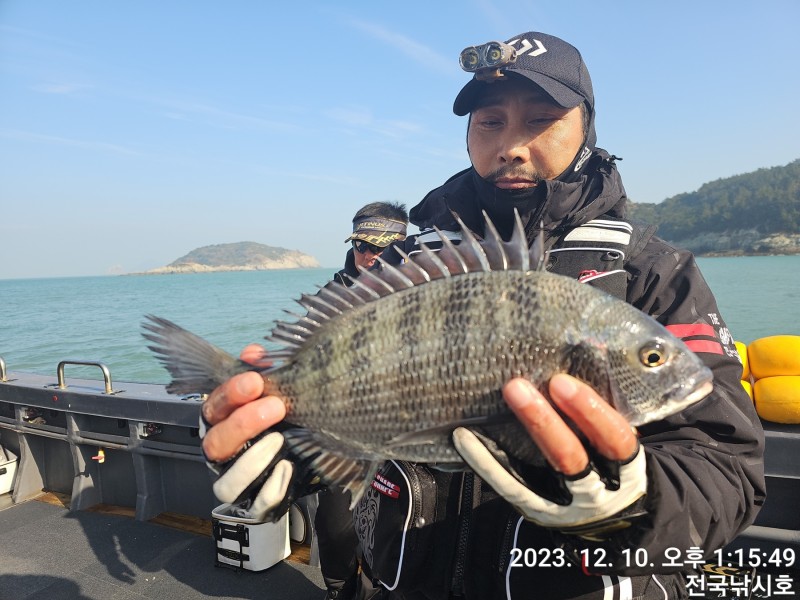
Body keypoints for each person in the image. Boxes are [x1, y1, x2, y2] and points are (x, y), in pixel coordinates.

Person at [199, 31, 765, 599]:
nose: (512, 146)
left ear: (586, 129)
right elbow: (359, 408)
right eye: (491, 122)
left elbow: (729, 469)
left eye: (541, 120)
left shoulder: (653, 271)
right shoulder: (405, 264)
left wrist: (637, 504)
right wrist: (281, 440)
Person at [320, 201, 408, 600]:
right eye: (362, 246)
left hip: (400, 432)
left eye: (382, 247)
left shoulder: (424, 291)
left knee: (390, 526)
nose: (370, 255)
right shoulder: (332, 295)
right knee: (335, 525)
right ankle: (339, 590)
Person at [333, 201, 409, 286]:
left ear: (401, 246)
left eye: (379, 246)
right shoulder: (333, 290)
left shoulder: (418, 282)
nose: (368, 256)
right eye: (361, 246)